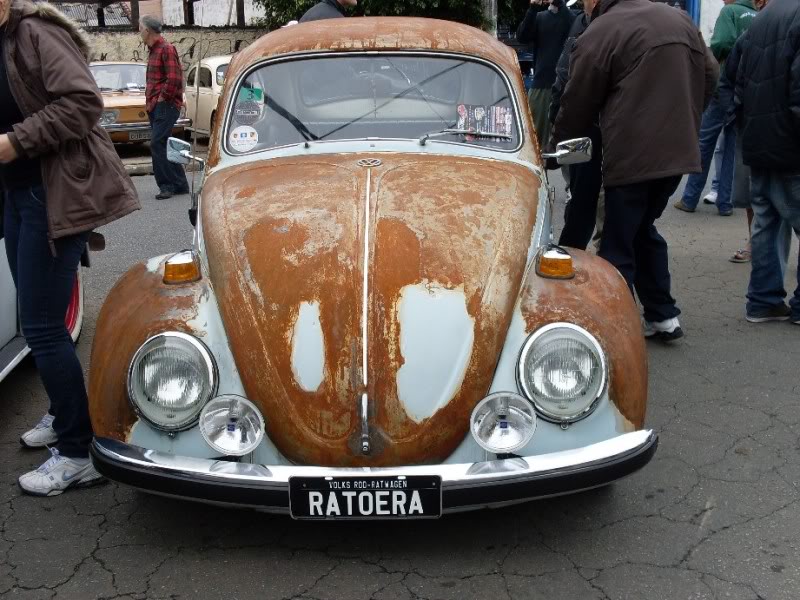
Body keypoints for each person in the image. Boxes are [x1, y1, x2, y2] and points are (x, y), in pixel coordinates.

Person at [0, 0, 139, 495]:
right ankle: (64, 416)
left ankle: (79, 452)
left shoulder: (35, 31)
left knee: (41, 326)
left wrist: (14, 142)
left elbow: (83, 102)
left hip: (51, 193)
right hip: (17, 194)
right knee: (43, 321)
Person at [552, 0, 718, 341]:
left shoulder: (603, 30)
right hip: (677, 151)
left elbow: (577, 99)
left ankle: (614, 333)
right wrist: (687, 118)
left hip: (632, 152)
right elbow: (711, 75)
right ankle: (663, 315)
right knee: (642, 229)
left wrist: (558, 150)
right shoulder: (680, 19)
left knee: (618, 240)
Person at [732, 0, 800, 324]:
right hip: (790, 143)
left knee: (766, 223)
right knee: (770, 222)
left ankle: (763, 300)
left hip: (759, 139)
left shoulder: (760, 19)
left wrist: (744, 127)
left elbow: (736, 81)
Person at [673, 0, 757, 217]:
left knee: (705, 140)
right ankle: (725, 203)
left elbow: (721, 42)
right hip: (745, 88)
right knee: (730, 144)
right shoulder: (756, 15)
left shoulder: (729, 12)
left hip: (725, 85)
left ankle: (690, 198)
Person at [549, 0, 602, 250]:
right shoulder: (581, 22)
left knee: (588, 202)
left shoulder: (600, 29)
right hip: (599, 129)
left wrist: (555, 142)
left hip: (593, 129)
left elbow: (572, 92)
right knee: (583, 198)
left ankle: (576, 253)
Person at [140, 15, 189, 200]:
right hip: (156, 105)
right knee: (165, 143)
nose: (139, 32)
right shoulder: (153, 50)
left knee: (157, 143)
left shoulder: (166, 48)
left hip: (165, 105)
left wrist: (162, 100)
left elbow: (174, 78)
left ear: (147, 31)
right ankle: (180, 184)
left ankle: (167, 185)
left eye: (140, 28)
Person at [516, 0, 573, 148]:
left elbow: (568, 20)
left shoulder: (572, 18)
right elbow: (522, 37)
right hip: (541, 85)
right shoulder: (539, 17)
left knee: (567, 146)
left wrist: (558, 3)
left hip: (568, 86)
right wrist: (533, 7)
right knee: (533, 142)